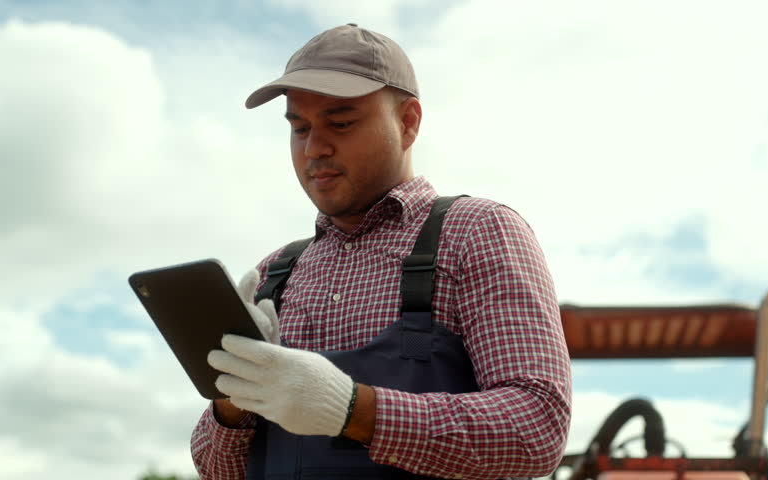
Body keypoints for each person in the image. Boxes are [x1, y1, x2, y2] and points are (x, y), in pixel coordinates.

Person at [190, 24, 571, 480]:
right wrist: (234, 401)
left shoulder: (476, 232)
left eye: (341, 122)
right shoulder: (275, 271)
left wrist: (353, 409)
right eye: (299, 127)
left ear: (408, 122)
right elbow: (217, 473)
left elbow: (538, 428)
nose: (315, 147)